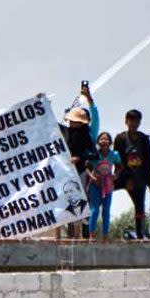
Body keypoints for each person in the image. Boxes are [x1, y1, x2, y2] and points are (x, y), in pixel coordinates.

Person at [59, 83, 99, 238]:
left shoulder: (88, 134)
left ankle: (81, 235)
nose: (71, 123)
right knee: (67, 202)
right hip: (67, 172)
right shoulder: (67, 132)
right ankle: (71, 235)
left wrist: (79, 158)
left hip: (83, 171)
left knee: (81, 203)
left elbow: (93, 154)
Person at [114, 109, 150, 239]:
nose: (134, 123)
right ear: (126, 121)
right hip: (122, 175)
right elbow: (118, 160)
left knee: (140, 206)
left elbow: (149, 160)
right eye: (131, 120)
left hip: (140, 177)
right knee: (103, 193)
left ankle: (139, 235)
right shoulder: (120, 139)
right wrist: (126, 179)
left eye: (136, 121)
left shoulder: (144, 139)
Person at [86, 132, 122, 241]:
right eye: (101, 139)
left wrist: (116, 175)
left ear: (110, 143)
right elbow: (87, 166)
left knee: (106, 211)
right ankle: (91, 235)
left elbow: (120, 166)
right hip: (95, 185)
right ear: (98, 142)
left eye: (106, 139)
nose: (104, 141)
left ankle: (105, 235)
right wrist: (91, 176)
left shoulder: (114, 154)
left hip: (108, 185)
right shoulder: (95, 154)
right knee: (95, 210)